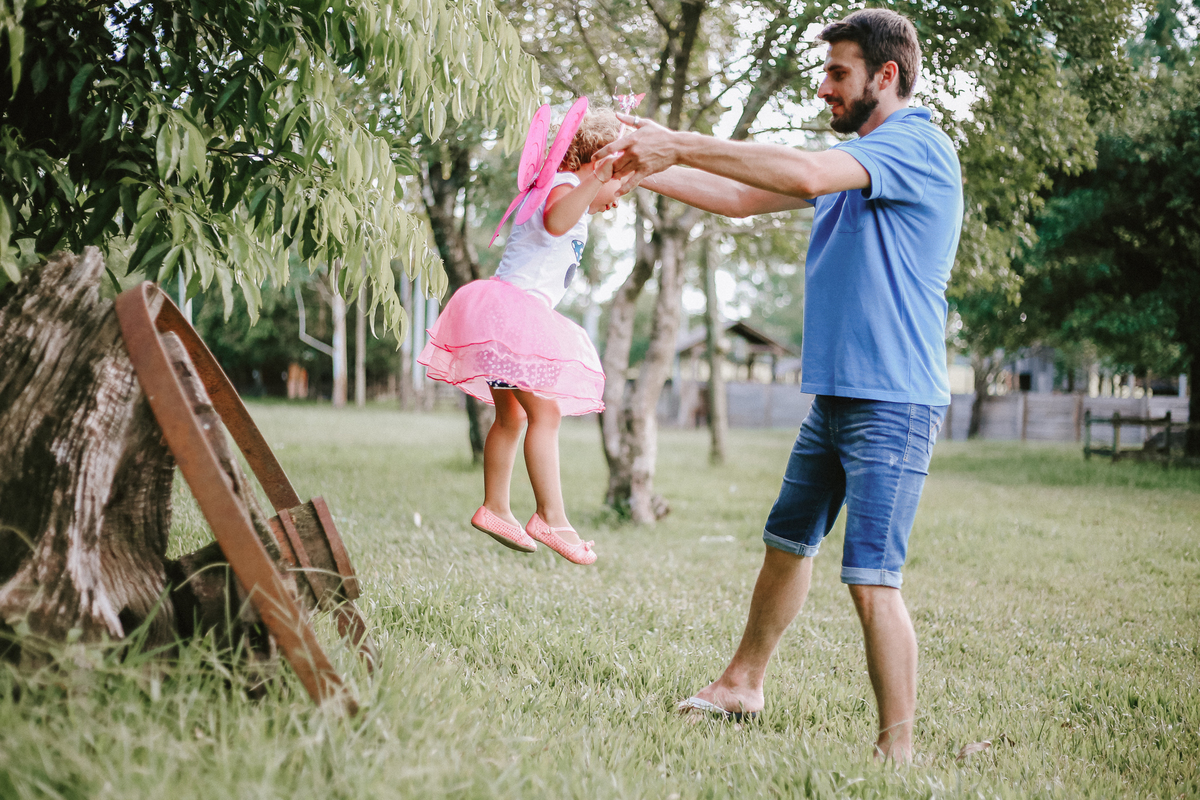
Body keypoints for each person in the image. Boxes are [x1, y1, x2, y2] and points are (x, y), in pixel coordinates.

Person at [595, 9, 962, 760]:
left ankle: (897, 753)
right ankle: (742, 683)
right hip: (838, 397)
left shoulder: (915, 146)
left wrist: (676, 140)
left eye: (838, 73)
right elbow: (737, 197)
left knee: (872, 581)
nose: (823, 87)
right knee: (787, 542)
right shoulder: (860, 160)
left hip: (893, 403)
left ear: (884, 76)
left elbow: (798, 171)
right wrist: (637, 162)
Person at [418, 110, 624, 566]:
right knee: (545, 413)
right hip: (512, 316)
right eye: (619, 185)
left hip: (507, 319)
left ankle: (495, 507)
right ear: (598, 164)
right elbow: (554, 222)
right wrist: (595, 180)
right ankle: (552, 517)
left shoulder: (573, 192)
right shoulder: (563, 187)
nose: (618, 199)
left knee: (511, 417)